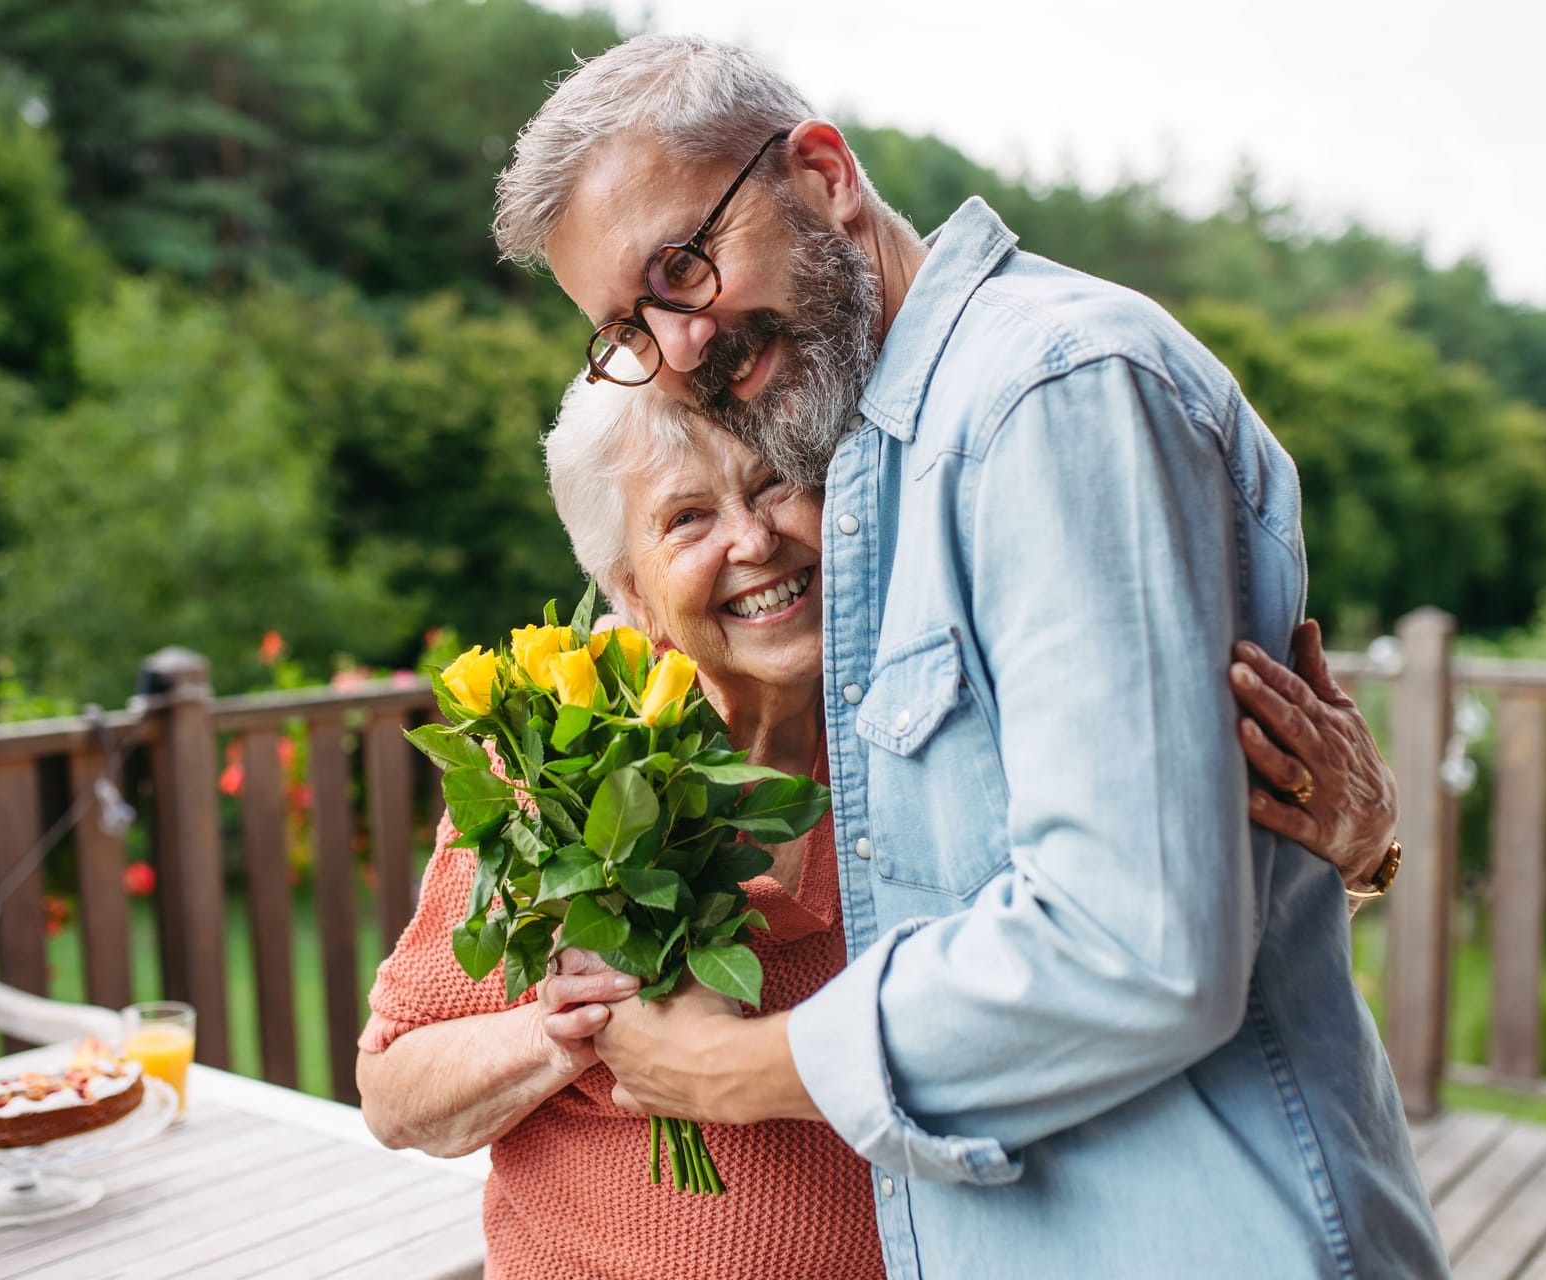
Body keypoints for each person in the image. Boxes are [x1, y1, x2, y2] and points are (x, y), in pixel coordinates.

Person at [488, 33, 1445, 1277]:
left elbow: (1133, 942)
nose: (678, 350)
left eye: (682, 267)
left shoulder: (1049, 393)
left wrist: (730, 1067)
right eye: (627, 326)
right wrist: (1362, 854)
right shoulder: (873, 457)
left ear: (825, 174)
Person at [356, 384, 1403, 1278]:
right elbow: (394, 1093)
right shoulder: (557, 769)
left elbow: (1142, 929)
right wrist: (567, 1028)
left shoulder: (944, 737)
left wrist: (1360, 853)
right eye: (687, 517)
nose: (752, 539)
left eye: (776, 482)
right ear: (632, 593)